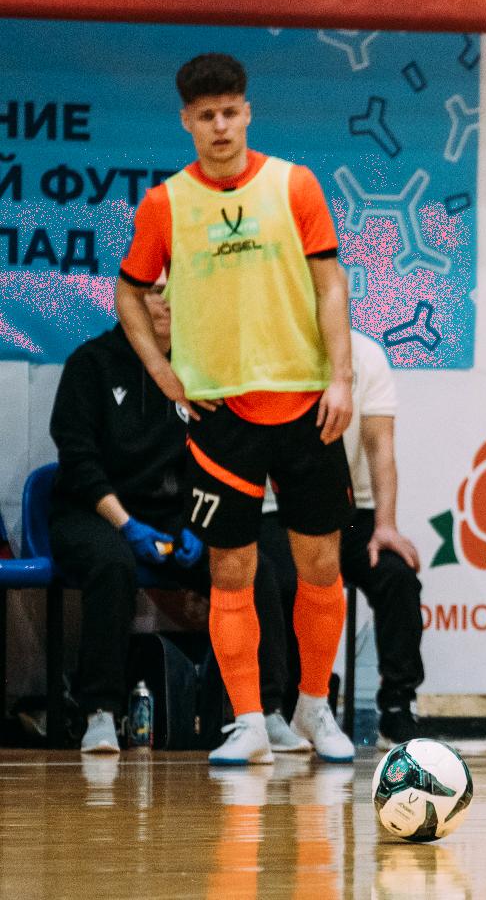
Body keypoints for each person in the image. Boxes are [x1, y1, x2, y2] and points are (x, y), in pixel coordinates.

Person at [114, 52, 356, 765]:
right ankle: (249, 720)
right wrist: (160, 370)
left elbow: (331, 285)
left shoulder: (295, 184)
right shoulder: (165, 204)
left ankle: (313, 706)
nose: (220, 125)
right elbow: (129, 290)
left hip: (307, 405)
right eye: (206, 115)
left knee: (321, 566)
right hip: (221, 416)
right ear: (186, 122)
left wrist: (342, 378)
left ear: (247, 112)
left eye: (229, 111)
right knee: (231, 572)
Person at [48, 279, 205, 752]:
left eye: (176, 291)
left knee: (242, 562)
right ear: (129, 302)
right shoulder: (91, 363)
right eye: (155, 291)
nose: (167, 302)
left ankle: (258, 712)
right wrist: (126, 525)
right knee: (113, 563)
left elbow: (211, 459)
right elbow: (79, 462)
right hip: (93, 511)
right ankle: (100, 712)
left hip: (170, 513)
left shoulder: (198, 370)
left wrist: (198, 525)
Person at [254, 329, 425, 751]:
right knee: (285, 582)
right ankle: (290, 703)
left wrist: (386, 525)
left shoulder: (366, 355)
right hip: (280, 510)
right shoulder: (275, 348)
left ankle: (398, 707)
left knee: (397, 576)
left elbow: (381, 446)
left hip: (352, 513)